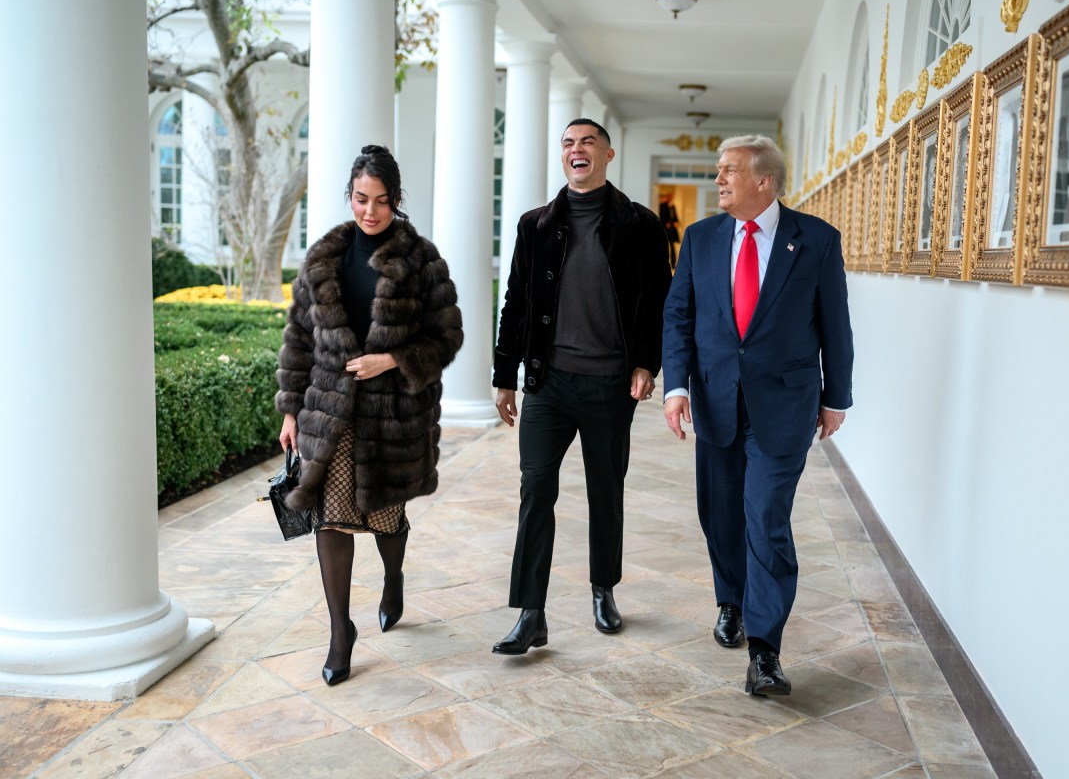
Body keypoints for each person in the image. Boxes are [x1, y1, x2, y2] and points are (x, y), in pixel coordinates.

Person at [661, 135, 853, 697]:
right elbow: (679, 317)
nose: (718, 179)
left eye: (729, 171)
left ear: (763, 181)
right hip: (716, 402)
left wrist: (835, 397)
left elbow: (835, 325)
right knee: (721, 517)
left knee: (766, 519)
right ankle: (731, 602)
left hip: (784, 407)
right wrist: (677, 388)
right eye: (718, 170)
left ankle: (765, 652)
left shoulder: (815, 241)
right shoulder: (699, 240)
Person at [276, 145, 463, 685]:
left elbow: (446, 335)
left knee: (384, 517)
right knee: (330, 517)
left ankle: (394, 577)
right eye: (361, 199)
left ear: (397, 200)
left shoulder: (422, 261)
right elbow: (298, 340)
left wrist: (395, 359)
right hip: (330, 410)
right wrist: (291, 409)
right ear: (349, 197)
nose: (370, 211)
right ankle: (341, 632)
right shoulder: (322, 260)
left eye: (381, 201)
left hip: (393, 414)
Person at [491, 118, 672, 655]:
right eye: (568, 143)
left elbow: (656, 304)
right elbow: (516, 304)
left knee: (605, 492)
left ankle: (603, 590)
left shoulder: (639, 224)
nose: (576, 150)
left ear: (608, 154)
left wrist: (646, 364)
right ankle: (530, 612)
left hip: (610, 385)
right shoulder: (535, 226)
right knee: (535, 491)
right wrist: (505, 376)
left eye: (587, 142)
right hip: (548, 384)